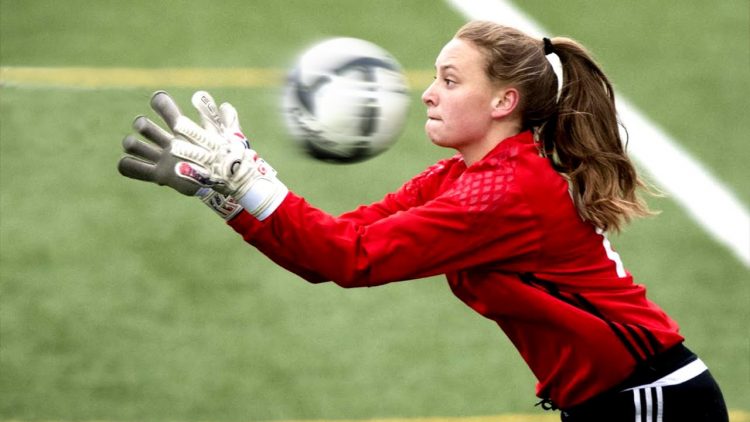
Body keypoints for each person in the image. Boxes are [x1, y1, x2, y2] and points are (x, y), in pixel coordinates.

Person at [118, 20, 729, 422]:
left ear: (502, 102)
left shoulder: (508, 191)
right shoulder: (463, 177)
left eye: (449, 79)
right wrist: (228, 193)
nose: (427, 93)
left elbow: (350, 258)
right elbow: (331, 249)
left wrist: (251, 181)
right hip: (622, 402)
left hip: (651, 402)